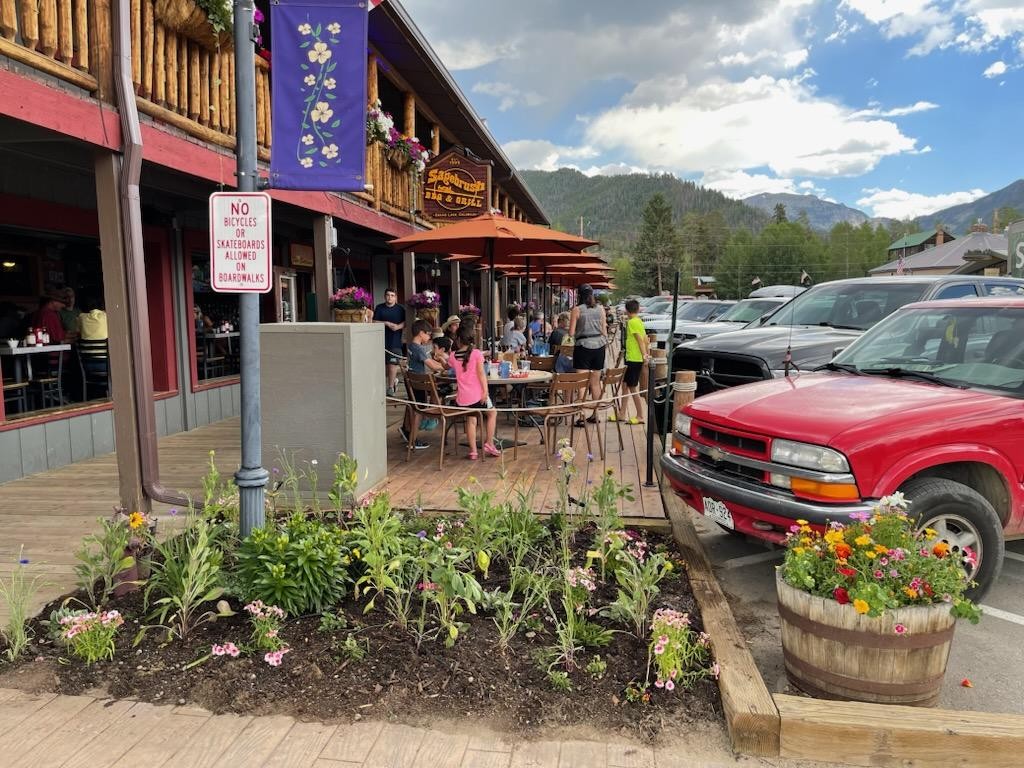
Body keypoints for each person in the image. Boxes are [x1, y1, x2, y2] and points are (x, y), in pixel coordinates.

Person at [452, 326, 499, 460]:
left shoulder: (453, 356)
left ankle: (473, 451)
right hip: (478, 396)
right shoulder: (477, 354)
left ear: (459, 339)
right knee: (492, 413)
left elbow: (447, 365)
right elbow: (481, 374)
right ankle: (489, 443)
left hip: (462, 399)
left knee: (471, 420)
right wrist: (485, 391)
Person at [400, 319, 444, 447]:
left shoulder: (412, 346)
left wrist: (441, 364)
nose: (429, 337)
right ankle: (413, 441)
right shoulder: (418, 348)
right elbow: (432, 366)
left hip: (412, 382)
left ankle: (410, 437)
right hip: (417, 384)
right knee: (418, 412)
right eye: (428, 334)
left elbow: (431, 362)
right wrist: (448, 368)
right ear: (421, 333)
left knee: (415, 410)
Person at [568, 284, 607, 424]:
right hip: (599, 347)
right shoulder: (601, 309)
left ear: (579, 295)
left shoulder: (577, 309)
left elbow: (571, 333)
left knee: (582, 382)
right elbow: (604, 330)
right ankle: (596, 414)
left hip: (583, 347)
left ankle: (581, 415)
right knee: (595, 383)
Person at [619, 299, 649, 425]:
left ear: (626, 310)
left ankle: (640, 415)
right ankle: (622, 413)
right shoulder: (639, 321)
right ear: (637, 309)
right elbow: (646, 339)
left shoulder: (632, 322)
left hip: (634, 359)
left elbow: (640, 340)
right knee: (625, 385)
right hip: (631, 357)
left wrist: (644, 355)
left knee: (632, 386)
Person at [373, 288, 405, 396]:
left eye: (392, 295)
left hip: (395, 342)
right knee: (382, 367)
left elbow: (406, 322)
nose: (390, 297)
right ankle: (390, 382)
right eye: (388, 295)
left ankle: (390, 388)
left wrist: (398, 327)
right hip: (380, 341)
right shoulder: (379, 308)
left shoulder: (401, 309)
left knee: (392, 365)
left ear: (395, 297)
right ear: (384, 296)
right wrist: (385, 323)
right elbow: (374, 321)